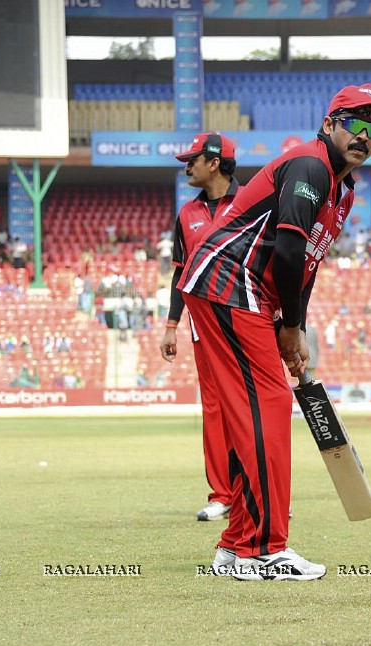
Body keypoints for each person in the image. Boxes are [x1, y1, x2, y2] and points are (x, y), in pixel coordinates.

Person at [180, 83, 371, 580]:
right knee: (266, 408)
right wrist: (291, 327)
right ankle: (263, 550)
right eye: (353, 123)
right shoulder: (310, 166)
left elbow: (307, 263)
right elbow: (288, 253)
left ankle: (236, 548)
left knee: (260, 408)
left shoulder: (343, 188)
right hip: (228, 281)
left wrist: (288, 328)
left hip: (243, 291)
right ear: (328, 125)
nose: (364, 135)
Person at [159, 132, 241, 523]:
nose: (186, 166)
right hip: (202, 327)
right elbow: (181, 273)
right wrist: (172, 325)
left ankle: (260, 492)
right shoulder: (186, 214)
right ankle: (222, 495)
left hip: (246, 322)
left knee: (251, 407)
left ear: (213, 162)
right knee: (214, 409)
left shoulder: (250, 202)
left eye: (192, 160)